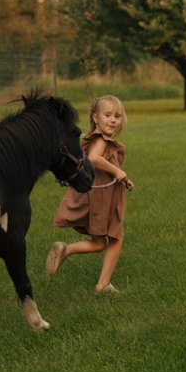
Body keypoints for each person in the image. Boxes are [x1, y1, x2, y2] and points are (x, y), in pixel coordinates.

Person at [45, 94, 132, 293]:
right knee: (116, 238)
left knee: (100, 242)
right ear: (95, 118)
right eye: (107, 115)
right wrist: (118, 171)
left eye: (117, 116)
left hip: (101, 195)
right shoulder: (100, 140)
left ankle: (67, 251)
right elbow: (94, 158)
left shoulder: (97, 139)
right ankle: (102, 284)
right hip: (102, 199)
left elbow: (105, 165)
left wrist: (124, 178)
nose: (113, 120)